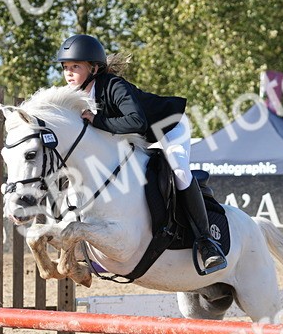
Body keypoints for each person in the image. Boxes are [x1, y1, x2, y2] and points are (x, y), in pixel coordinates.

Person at [55, 33, 228, 275]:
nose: (69, 73)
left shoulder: (114, 86)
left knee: (178, 171)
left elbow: (137, 121)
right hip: (139, 136)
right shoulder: (74, 95)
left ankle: (206, 241)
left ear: (94, 69)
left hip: (168, 127)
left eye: (76, 66)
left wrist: (97, 119)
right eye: (65, 68)